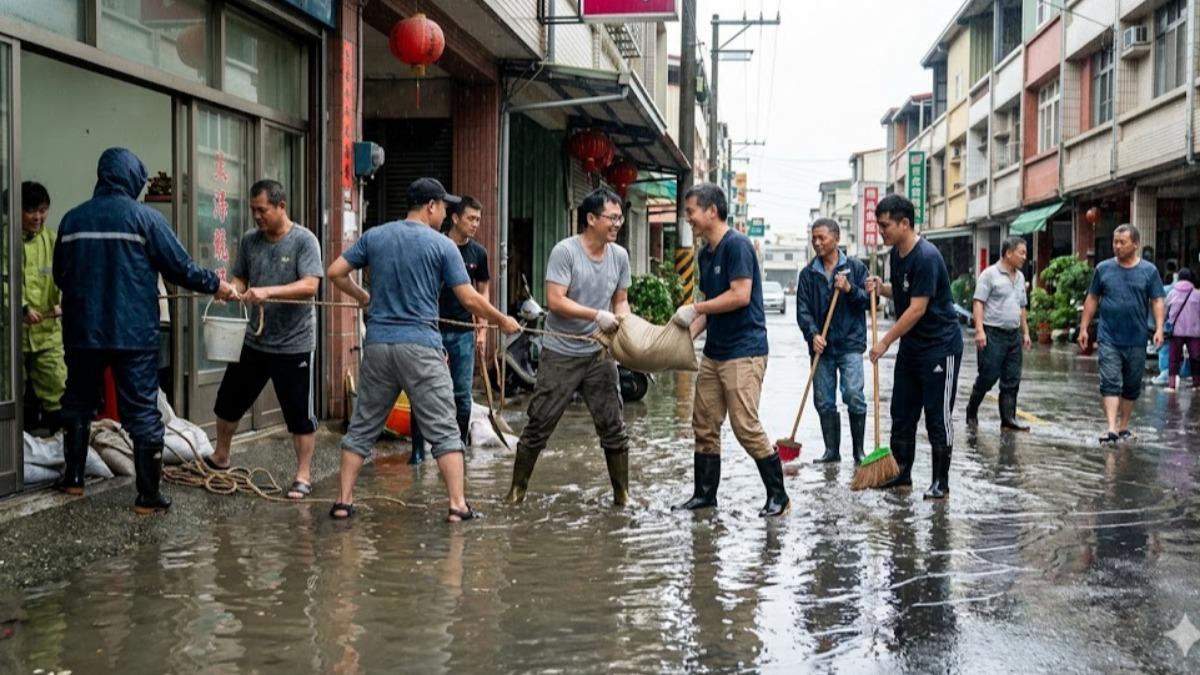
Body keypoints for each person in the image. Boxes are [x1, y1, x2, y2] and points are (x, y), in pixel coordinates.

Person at [53, 147, 238, 511]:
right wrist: (216, 285)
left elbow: (62, 274)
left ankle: (73, 479)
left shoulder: (72, 220)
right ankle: (148, 496)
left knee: (77, 403)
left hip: (82, 332)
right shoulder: (144, 219)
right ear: (133, 179)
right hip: (132, 333)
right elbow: (179, 268)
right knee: (141, 411)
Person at [328, 178, 519, 522]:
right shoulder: (442, 246)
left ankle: (343, 502)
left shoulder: (375, 236)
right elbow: (469, 297)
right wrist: (501, 320)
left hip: (379, 345)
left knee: (362, 427)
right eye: (444, 207)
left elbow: (335, 272)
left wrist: (362, 299)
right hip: (420, 345)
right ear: (431, 206)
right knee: (445, 428)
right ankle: (458, 505)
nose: (446, 214)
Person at [504, 187, 631, 507]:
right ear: (590, 219)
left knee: (613, 426)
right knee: (539, 423)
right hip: (561, 352)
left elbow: (622, 301)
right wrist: (596, 315)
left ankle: (623, 496)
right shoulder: (566, 251)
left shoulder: (620, 256)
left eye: (620, 218)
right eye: (611, 218)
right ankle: (516, 492)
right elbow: (555, 301)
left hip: (599, 353)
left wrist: (623, 325)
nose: (617, 224)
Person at [671, 183, 790, 518]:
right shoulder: (705, 253)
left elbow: (739, 295)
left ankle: (779, 496)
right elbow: (709, 310)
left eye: (691, 211)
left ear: (712, 210)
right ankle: (704, 496)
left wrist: (695, 307)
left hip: (744, 351)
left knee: (744, 425)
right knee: (704, 423)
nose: (688, 219)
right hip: (715, 351)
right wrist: (683, 339)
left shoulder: (737, 245)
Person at [208, 180, 323, 499]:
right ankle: (221, 455)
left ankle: (302, 475)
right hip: (255, 340)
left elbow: (310, 286)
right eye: (252, 210)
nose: (257, 216)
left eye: (262, 210)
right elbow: (242, 276)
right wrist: (233, 289)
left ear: (281, 206)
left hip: (294, 342)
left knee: (300, 414)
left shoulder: (304, 241)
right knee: (228, 401)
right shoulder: (249, 240)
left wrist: (268, 292)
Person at [865, 194, 963, 500]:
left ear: (905, 223)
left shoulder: (927, 256)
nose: (882, 231)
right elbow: (905, 292)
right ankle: (901, 474)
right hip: (912, 348)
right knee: (902, 412)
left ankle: (940, 482)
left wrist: (884, 340)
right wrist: (882, 288)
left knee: (937, 415)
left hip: (939, 347)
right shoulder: (896, 254)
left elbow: (917, 308)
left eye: (885, 225)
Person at [410, 196, 490, 465]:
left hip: (464, 333)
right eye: (471, 218)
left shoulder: (479, 254)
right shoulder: (437, 247)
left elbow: (482, 294)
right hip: (431, 330)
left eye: (478, 219)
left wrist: (482, 330)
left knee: (462, 395)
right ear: (454, 218)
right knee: (423, 390)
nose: (475, 224)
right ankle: (418, 452)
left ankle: (458, 447)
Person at [1077, 224, 1165, 444]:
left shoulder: (1149, 271)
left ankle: (1124, 426)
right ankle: (1111, 429)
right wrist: (1084, 327)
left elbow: (1157, 300)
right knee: (1110, 381)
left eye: (1121, 242)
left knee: (1132, 384)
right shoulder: (1103, 269)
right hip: (1109, 337)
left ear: (1135, 244)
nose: (1116, 246)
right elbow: (1092, 298)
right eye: (1115, 242)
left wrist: (1160, 328)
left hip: (1136, 337)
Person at [794, 218, 869, 464]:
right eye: (813, 238)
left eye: (822, 238)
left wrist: (850, 289)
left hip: (850, 343)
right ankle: (831, 451)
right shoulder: (808, 274)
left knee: (853, 395)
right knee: (824, 400)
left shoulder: (856, 269)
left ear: (836, 239)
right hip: (822, 347)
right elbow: (802, 310)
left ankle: (858, 451)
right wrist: (813, 334)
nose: (817, 242)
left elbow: (872, 303)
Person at [964, 236, 1032, 431]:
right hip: (992, 333)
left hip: (1013, 336)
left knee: (1012, 379)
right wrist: (979, 331)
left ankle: (1008, 419)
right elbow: (978, 302)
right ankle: (972, 409)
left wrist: (1025, 332)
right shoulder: (989, 275)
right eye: (1022, 252)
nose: (1024, 257)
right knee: (988, 375)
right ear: (1009, 253)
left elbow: (1022, 307)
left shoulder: (1019, 278)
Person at [20, 181, 66, 436]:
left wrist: (64, 301)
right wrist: (21, 308)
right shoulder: (6, 241)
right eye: (31, 211)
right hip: (12, 337)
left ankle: (61, 451)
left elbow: (66, 276)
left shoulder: (52, 241)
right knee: (11, 390)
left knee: (57, 389)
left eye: (43, 210)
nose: (38, 217)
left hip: (48, 334)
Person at [1163, 267, 1199, 391]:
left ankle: (1172, 385)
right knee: (1196, 359)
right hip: (1194, 333)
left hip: (1176, 332)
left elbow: (1165, 312)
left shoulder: (1172, 293)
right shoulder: (1197, 294)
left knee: (1173, 359)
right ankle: (1197, 384)